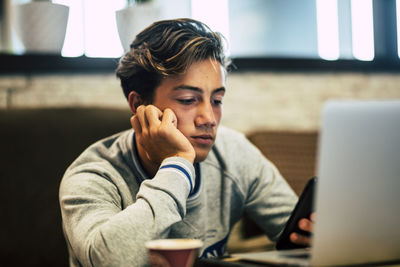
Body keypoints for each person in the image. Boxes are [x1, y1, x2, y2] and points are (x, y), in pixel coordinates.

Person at [59, 18, 313, 267]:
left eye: (217, 100)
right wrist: (177, 164)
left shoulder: (235, 153)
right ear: (138, 105)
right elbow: (112, 260)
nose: (209, 118)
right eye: (188, 99)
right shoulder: (91, 177)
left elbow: (295, 233)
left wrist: (313, 235)